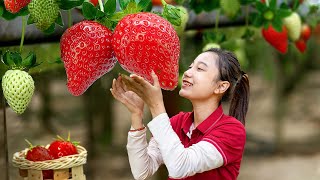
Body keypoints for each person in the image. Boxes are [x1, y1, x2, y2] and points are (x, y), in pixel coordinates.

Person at [110, 48, 250, 180]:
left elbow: (180, 166)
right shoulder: (177, 122)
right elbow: (141, 171)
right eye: (190, 67)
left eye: (200, 69)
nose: (188, 73)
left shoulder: (232, 131)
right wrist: (137, 114)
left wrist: (156, 105)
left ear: (221, 86)